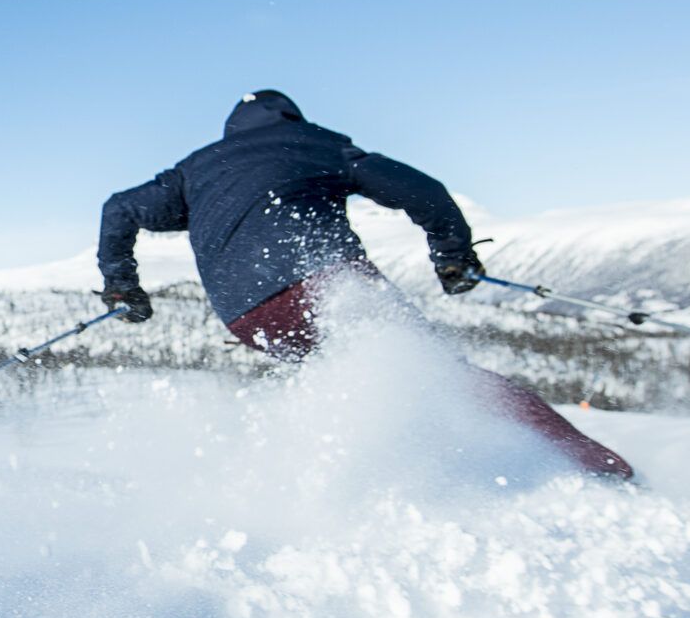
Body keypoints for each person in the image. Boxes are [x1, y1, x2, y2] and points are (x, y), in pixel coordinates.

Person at [97, 89, 634, 480]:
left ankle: (368, 484)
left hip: (246, 316)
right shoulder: (313, 144)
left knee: (359, 387)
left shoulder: (196, 170)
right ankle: (595, 470)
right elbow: (420, 189)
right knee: (443, 378)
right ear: (291, 120)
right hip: (325, 286)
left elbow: (119, 209)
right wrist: (452, 257)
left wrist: (122, 287)